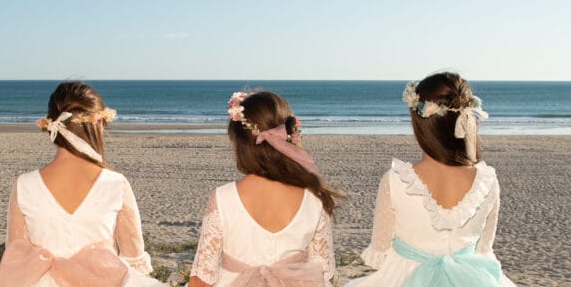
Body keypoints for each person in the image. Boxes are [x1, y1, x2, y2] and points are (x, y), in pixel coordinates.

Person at [0, 81, 165, 287]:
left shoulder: (24, 186)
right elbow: (133, 260)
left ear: (51, 127)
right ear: (99, 124)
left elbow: (17, 259)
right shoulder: (116, 185)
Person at [346, 72, 515, 286]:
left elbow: (380, 250)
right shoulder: (487, 182)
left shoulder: (396, 181)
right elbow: (483, 249)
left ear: (419, 123)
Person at [188, 91, 342, 287]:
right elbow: (324, 275)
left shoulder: (223, 198)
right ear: (290, 136)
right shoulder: (314, 199)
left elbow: (201, 279)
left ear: (242, 144)